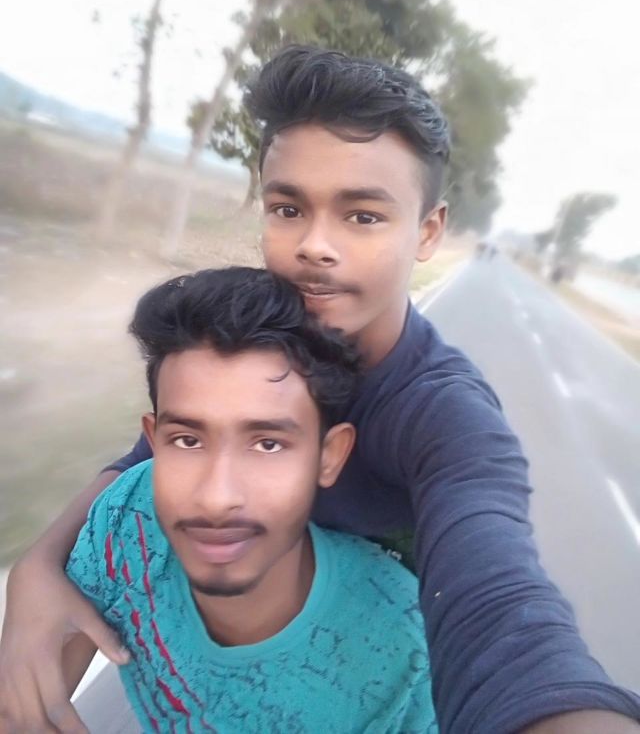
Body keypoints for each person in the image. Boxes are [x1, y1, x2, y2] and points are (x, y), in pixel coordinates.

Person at [2, 46, 639, 734]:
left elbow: (502, 615)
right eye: (288, 208)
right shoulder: (263, 338)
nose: (315, 245)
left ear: (428, 231)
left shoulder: (445, 416)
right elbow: (148, 457)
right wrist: (39, 566)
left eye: (361, 216)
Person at [60, 267, 436, 732]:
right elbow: (31, 689)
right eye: (188, 440)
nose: (216, 499)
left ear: (329, 456)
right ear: (155, 442)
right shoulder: (128, 516)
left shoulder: (408, 662)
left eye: (268, 445)